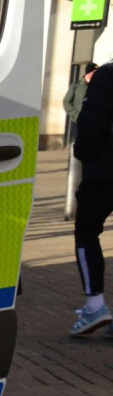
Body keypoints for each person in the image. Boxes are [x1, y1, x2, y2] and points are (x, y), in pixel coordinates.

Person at [71, 64, 113, 336]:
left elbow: (91, 125)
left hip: (103, 172)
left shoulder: (107, 76)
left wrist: (83, 153)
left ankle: (95, 305)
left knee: (86, 233)